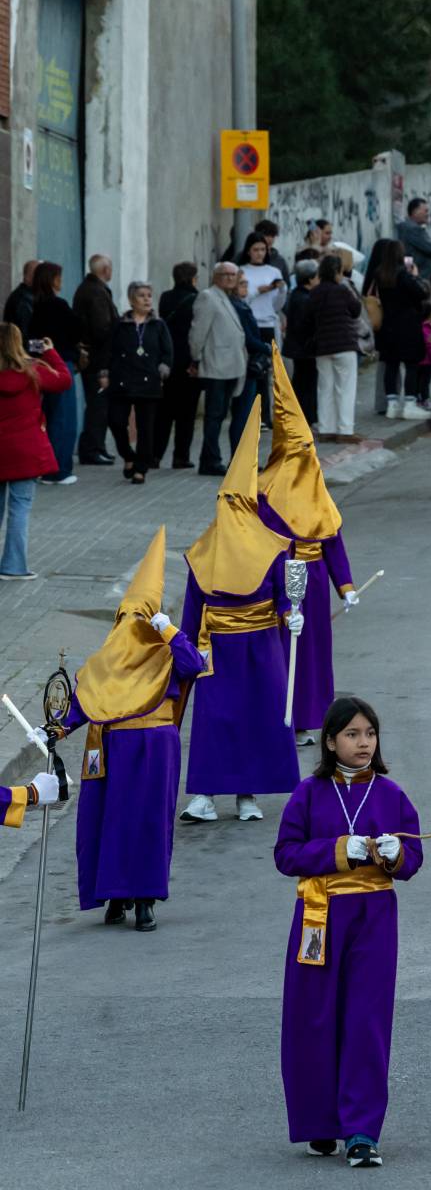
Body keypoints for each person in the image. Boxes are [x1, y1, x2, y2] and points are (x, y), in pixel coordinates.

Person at [275, 695, 423, 1168]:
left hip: (374, 918)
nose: (363, 743)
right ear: (331, 742)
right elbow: (287, 855)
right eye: (353, 734)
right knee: (314, 1016)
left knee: (366, 1019)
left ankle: (361, 1130)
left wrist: (394, 855)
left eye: (370, 734)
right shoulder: (308, 793)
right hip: (319, 916)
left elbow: (413, 859)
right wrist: (340, 849)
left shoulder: (392, 794)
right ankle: (320, 1122)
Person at [53, 526, 205, 931]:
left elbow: (196, 665)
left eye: (141, 617)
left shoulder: (168, 654)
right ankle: (115, 896)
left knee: (149, 822)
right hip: (112, 747)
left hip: (156, 748)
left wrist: (169, 630)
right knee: (109, 821)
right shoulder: (107, 656)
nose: (131, 625)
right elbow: (87, 699)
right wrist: (56, 729)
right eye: (127, 616)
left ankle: (146, 900)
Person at [178, 401, 300, 825]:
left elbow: (284, 596)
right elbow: (193, 606)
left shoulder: (274, 549)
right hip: (216, 649)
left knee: (256, 717)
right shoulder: (201, 553)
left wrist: (291, 616)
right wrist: (184, 649)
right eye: (222, 499)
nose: (227, 508)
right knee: (215, 720)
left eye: (235, 500)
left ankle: (248, 795)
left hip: (261, 645)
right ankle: (205, 794)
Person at [260, 350, 360, 745]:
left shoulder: (317, 488)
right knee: (285, 651)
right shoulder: (266, 492)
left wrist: (346, 586)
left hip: (315, 582)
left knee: (314, 654)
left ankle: (309, 717)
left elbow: (333, 541)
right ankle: (283, 718)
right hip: (282, 582)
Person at [0, 324, 72, 581]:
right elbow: (64, 380)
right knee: (19, 508)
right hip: (25, 451)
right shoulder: (33, 371)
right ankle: (13, 566)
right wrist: (51, 353)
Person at [107, 281, 173, 484]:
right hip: (122, 380)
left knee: (146, 427)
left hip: (148, 381)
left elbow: (167, 351)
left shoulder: (158, 324)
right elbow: (110, 350)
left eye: (149, 295)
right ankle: (128, 455)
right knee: (116, 421)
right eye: (141, 296)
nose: (146, 300)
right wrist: (105, 372)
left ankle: (141, 468)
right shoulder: (121, 324)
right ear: (131, 300)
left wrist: (162, 369)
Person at [190, 261, 248, 476]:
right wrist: (195, 358)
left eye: (234, 275)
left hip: (231, 366)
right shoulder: (208, 297)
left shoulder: (228, 298)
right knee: (213, 416)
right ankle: (210, 461)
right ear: (215, 276)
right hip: (216, 364)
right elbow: (198, 332)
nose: (230, 278)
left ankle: (209, 457)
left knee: (220, 415)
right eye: (225, 274)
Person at [28, 261, 83, 484]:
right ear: (52, 280)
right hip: (61, 364)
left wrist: (44, 354)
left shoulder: (35, 305)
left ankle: (48, 468)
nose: (61, 281)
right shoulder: (58, 305)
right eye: (58, 277)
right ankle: (60, 469)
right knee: (65, 416)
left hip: (42, 365)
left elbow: (31, 342)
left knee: (50, 415)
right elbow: (77, 329)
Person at [364, 239, 429, 422]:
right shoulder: (403, 275)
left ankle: (391, 404)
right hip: (408, 326)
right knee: (411, 365)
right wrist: (415, 275)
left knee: (391, 365)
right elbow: (420, 293)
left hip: (388, 326)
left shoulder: (380, 275)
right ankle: (409, 403)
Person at [309, 253, 362, 443]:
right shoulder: (342, 290)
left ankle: (326, 429)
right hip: (344, 344)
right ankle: (345, 430)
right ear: (338, 272)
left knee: (325, 388)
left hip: (322, 346)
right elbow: (356, 310)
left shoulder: (314, 292)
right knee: (345, 388)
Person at [73, 254, 118, 466]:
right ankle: (91, 449)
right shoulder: (96, 293)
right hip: (98, 360)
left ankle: (97, 447)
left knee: (98, 404)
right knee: (98, 405)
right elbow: (102, 330)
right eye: (110, 268)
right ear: (105, 270)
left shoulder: (90, 289)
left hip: (94, 358)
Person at [156, 262, 202, 467]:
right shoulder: (199, 299)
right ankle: (180, 456)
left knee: (163, 412)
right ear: (193, 278)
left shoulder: (165, 297)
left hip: (167, 357)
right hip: (188, 359)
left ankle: (155, 455)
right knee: (186, 413)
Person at [229, 269, 275, 449]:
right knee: (243, 413)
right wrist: (266, 348)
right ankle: (241, 457)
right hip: (246, 362)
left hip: (249, 361)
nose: (246, 287)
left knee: (247, 413)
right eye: (242, 284)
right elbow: (247, 337)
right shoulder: (238, 307)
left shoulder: (241, 304)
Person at [281, 259, 319, 427]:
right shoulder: (304, 299)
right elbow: (305, 324)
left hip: (299, 347)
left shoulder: (297, 294)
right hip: (304, 348)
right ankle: (305, 416)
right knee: (305, 382)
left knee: (302, 381)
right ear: (310, 279)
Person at [3, 260, 39, 337]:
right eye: (37, 274)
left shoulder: (28, 296)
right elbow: (25, 340)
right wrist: (46, 346)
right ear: (27, 276)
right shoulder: (23, 299)